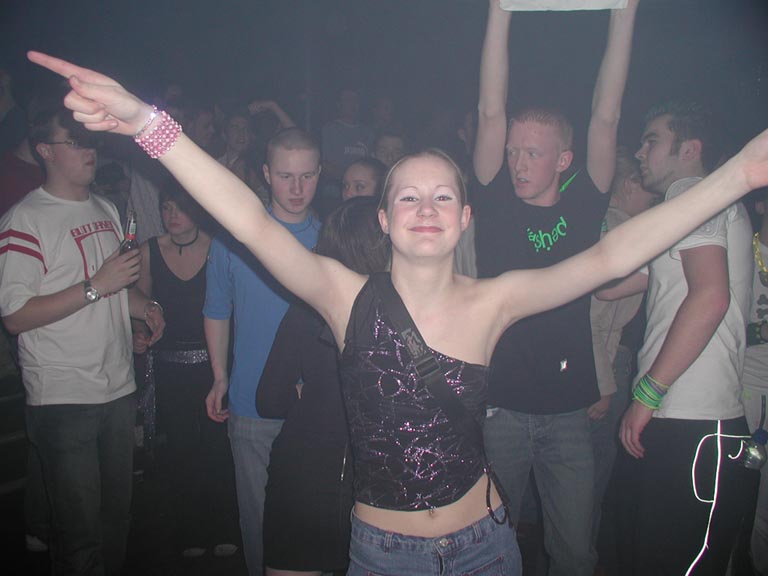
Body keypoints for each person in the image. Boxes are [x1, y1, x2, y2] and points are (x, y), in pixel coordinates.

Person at [27, 50, 768, 576]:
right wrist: (145, 122)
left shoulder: (494, 300)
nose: (426, 206)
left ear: (465, 218)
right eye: (407, 196)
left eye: (443, 195)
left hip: (486, 546)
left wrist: (736, 174)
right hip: (385, 554)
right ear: (383, 220)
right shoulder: (345, 297)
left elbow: (609, 257)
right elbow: (248, 219)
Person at [473, 1, 638, 573]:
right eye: (513, 151)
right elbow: (490, 109)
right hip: (499, 408)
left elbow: (606, 117)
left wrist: (624, 16)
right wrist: (500, 12)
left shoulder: (584, 204)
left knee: (573, 552)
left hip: (569, 412)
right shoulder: (496, 204)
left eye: (532, 153)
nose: (517, 162)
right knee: (489, 549)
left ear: (563, 159)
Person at [0, 99, 164, 575]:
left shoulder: (106, 208)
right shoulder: (23, 221)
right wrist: (97, 286)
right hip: (63, 396)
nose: (90, 150)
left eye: (91, 141)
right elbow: (15, 316)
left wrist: (145, 309)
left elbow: (115, 290)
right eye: (76, 142)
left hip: (118, 387)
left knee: (116, 519)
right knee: (79, 536)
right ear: (45, 150)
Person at [613, 99, 758, 575]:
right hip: (685, 419)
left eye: (652, 141)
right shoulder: (689, 207)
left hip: (696, 421)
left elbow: (710, 296)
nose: (640, 152)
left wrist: (646, 393)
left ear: (689, 149)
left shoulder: (693, 192)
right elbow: (610, 284)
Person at [204, 126, 322, 575]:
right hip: (251, 401)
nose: (297, 188)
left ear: (319, 173)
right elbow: (217, 309)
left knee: (314, 522)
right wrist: (219, 375)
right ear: (267, 174)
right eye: (286, 176)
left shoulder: (332, 238)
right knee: (257, 522)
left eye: (307, 176)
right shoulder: (234, 238)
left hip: (316, 409)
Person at [257, 196, 389, 575]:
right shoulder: (403, 318)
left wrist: (306, 396)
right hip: (376, 487)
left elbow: (269, 398)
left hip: (303, 477)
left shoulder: (306, 308)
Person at [134, 181, 239, 559]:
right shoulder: (150, 250)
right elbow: (139, 303)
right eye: (166, 207)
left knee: (218, 449)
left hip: (213, 367)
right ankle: (190, 530)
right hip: (169, 369)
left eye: (179, 208)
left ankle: (225, 526)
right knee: (180, 449)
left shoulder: (218, 248)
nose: (172, 215)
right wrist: (140, 331)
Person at [587, 148, 658, 549]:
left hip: (598, 363)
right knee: (591, 479)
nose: (654, 200)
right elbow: (596, 317)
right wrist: (604, 383)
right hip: (604, 367)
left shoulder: (603, 223)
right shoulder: (619, 234)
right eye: (649, 191)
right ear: (629, 185)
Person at [742, 186, 768, 574]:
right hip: (747, 389)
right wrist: (760, 332)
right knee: (741, 488)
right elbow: (719, 324)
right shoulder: (741, 252)